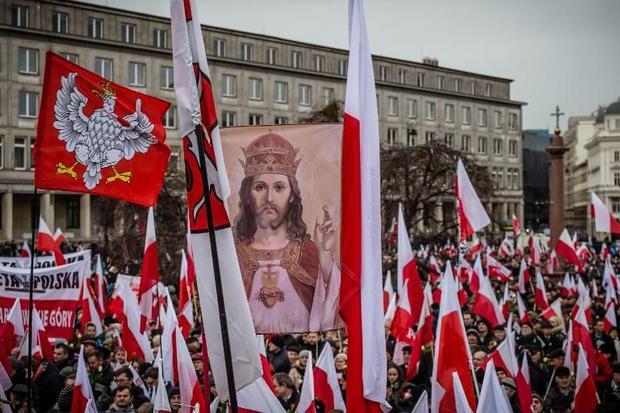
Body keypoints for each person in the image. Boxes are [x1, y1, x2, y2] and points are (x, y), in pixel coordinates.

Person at [233, 132, 341, 333]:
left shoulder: (309, 252)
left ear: (292, 195)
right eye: (260, 187)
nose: (269, 197)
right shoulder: (231, 255)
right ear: (247, 195)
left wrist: (324, 255)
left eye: (279, 187)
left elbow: (334, 309)